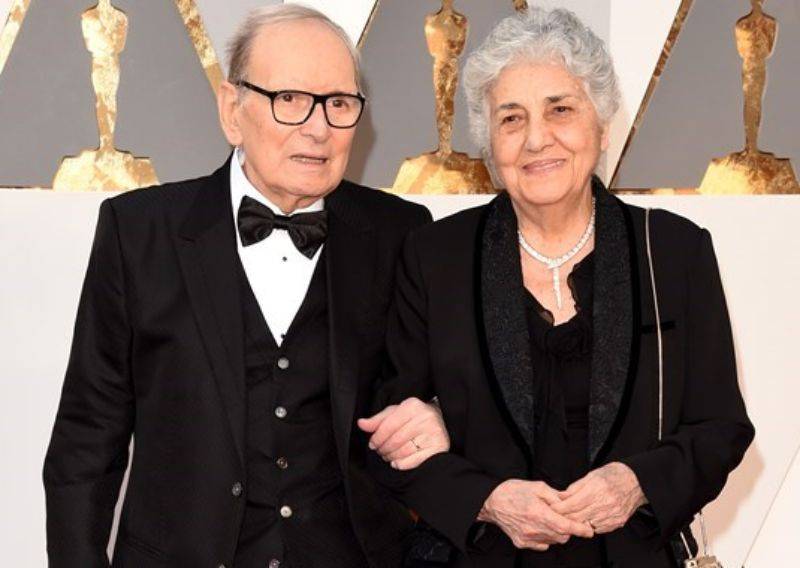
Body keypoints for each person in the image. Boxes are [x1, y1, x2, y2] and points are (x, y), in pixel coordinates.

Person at [43, 6, 448, 568]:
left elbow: (441, 391)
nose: (318, 128)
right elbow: (86, 441)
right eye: (290, 98)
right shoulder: (138, 231)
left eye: (338, 103)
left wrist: (439, 416)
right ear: (232, 111)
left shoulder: (400, 232)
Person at [363, 7, 754, 567]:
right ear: (489, 142)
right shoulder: (435, 256)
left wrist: (637, 483)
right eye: (511, 118)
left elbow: (720, 428)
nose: (536, 139)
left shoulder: (673, 250)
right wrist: (488, 500)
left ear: (601, 123)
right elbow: (389, 441)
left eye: (560, 110)